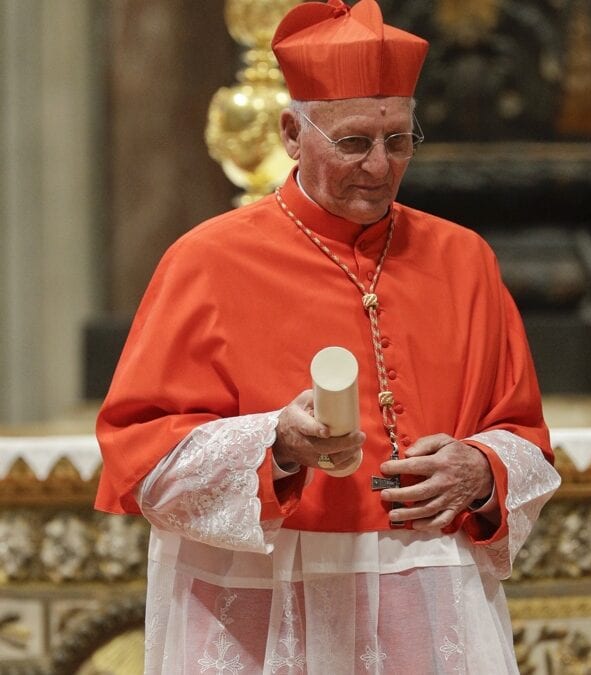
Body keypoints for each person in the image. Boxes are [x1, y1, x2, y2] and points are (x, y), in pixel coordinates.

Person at [95, 0, 561, 672]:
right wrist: (274, 445)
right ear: (291, 131)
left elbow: (526, 442)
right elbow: (140, 461)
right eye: (352, 143)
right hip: (263, 614)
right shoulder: (206, 261)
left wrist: (481, 471)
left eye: (398, 140)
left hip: (426, 609)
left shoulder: (465, 260)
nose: (379, 165)